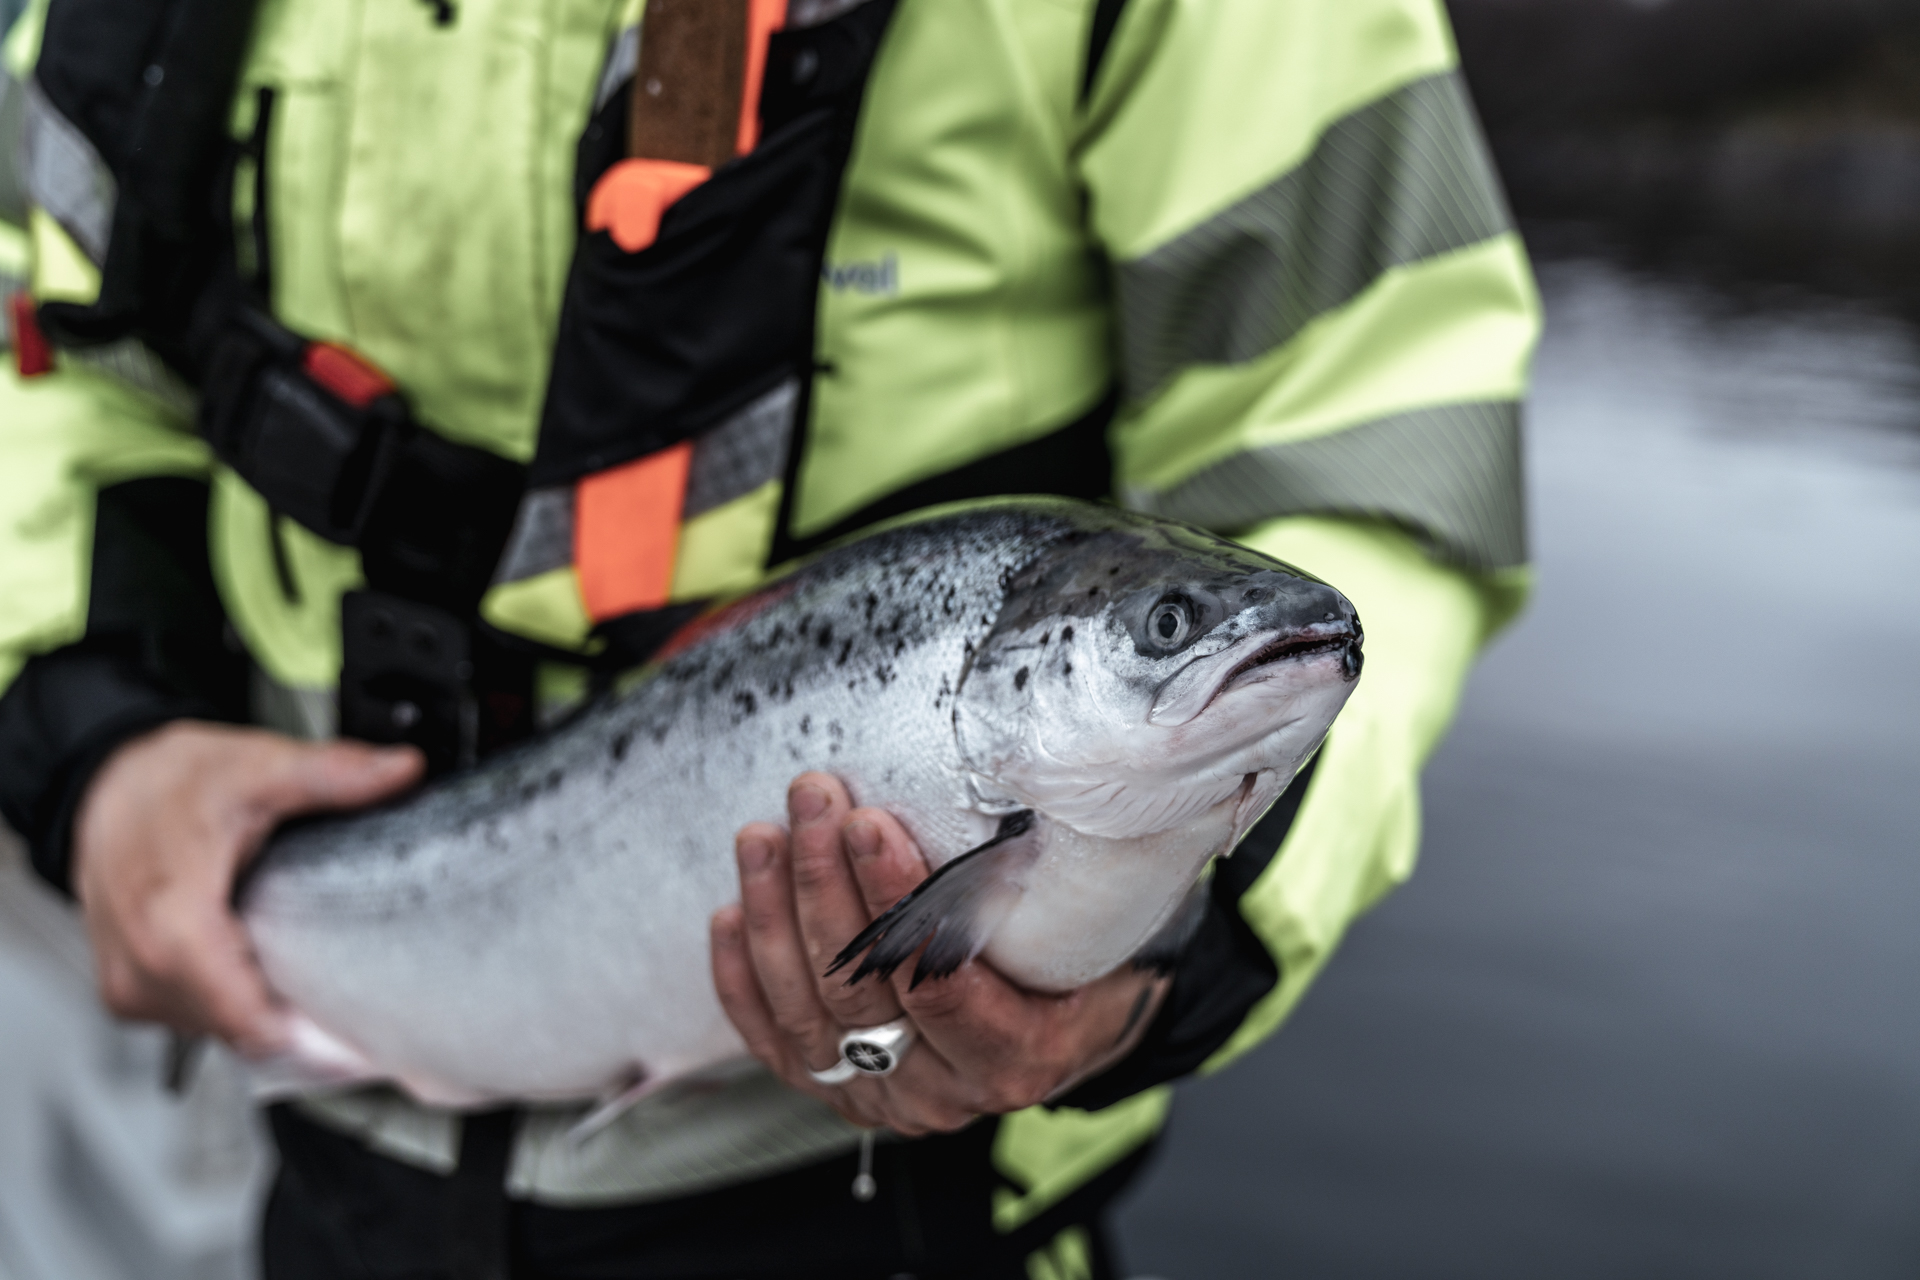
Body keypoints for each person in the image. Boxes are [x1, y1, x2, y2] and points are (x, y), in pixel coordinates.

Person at [0, 0, 1538, 1274]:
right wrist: (95, 739)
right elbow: (49, 349)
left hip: (916, 1212)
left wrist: (1181, 923)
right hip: (325, 1155)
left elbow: (1380, 454)